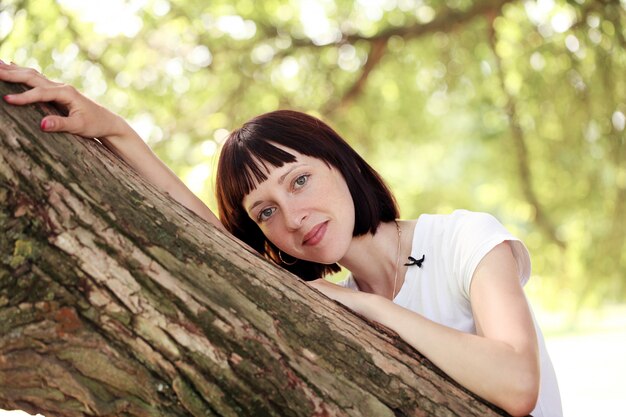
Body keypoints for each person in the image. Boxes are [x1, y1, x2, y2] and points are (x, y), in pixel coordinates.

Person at [0, 60, 562, 416]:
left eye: (299, 180)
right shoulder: (325, 297)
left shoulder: (466, 239)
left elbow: (517, 385)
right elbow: (197, 229)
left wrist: (372, 308)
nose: (292, 217)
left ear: (339, 163)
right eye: (265, 210)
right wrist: (117, 130)